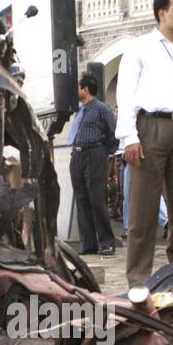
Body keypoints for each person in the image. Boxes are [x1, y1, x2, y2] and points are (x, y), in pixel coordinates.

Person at [116, 0, 173, 286]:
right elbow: (125, 95)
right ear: (161, 12)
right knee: (144, 210)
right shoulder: (140, 48)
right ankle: (138, 280)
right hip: (149, 129)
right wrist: (129, 137)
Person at [68, 72, 118, 256]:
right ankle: (88, 243)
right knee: (82, 200)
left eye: (77, 86)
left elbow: (113, 132)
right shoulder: (80, 111)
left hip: (95, 154)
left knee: (97, 199)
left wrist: (105, 153)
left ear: (85, 88)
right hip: (78, 155)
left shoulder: (101, 108)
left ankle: (106, 242)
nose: (75, 90)